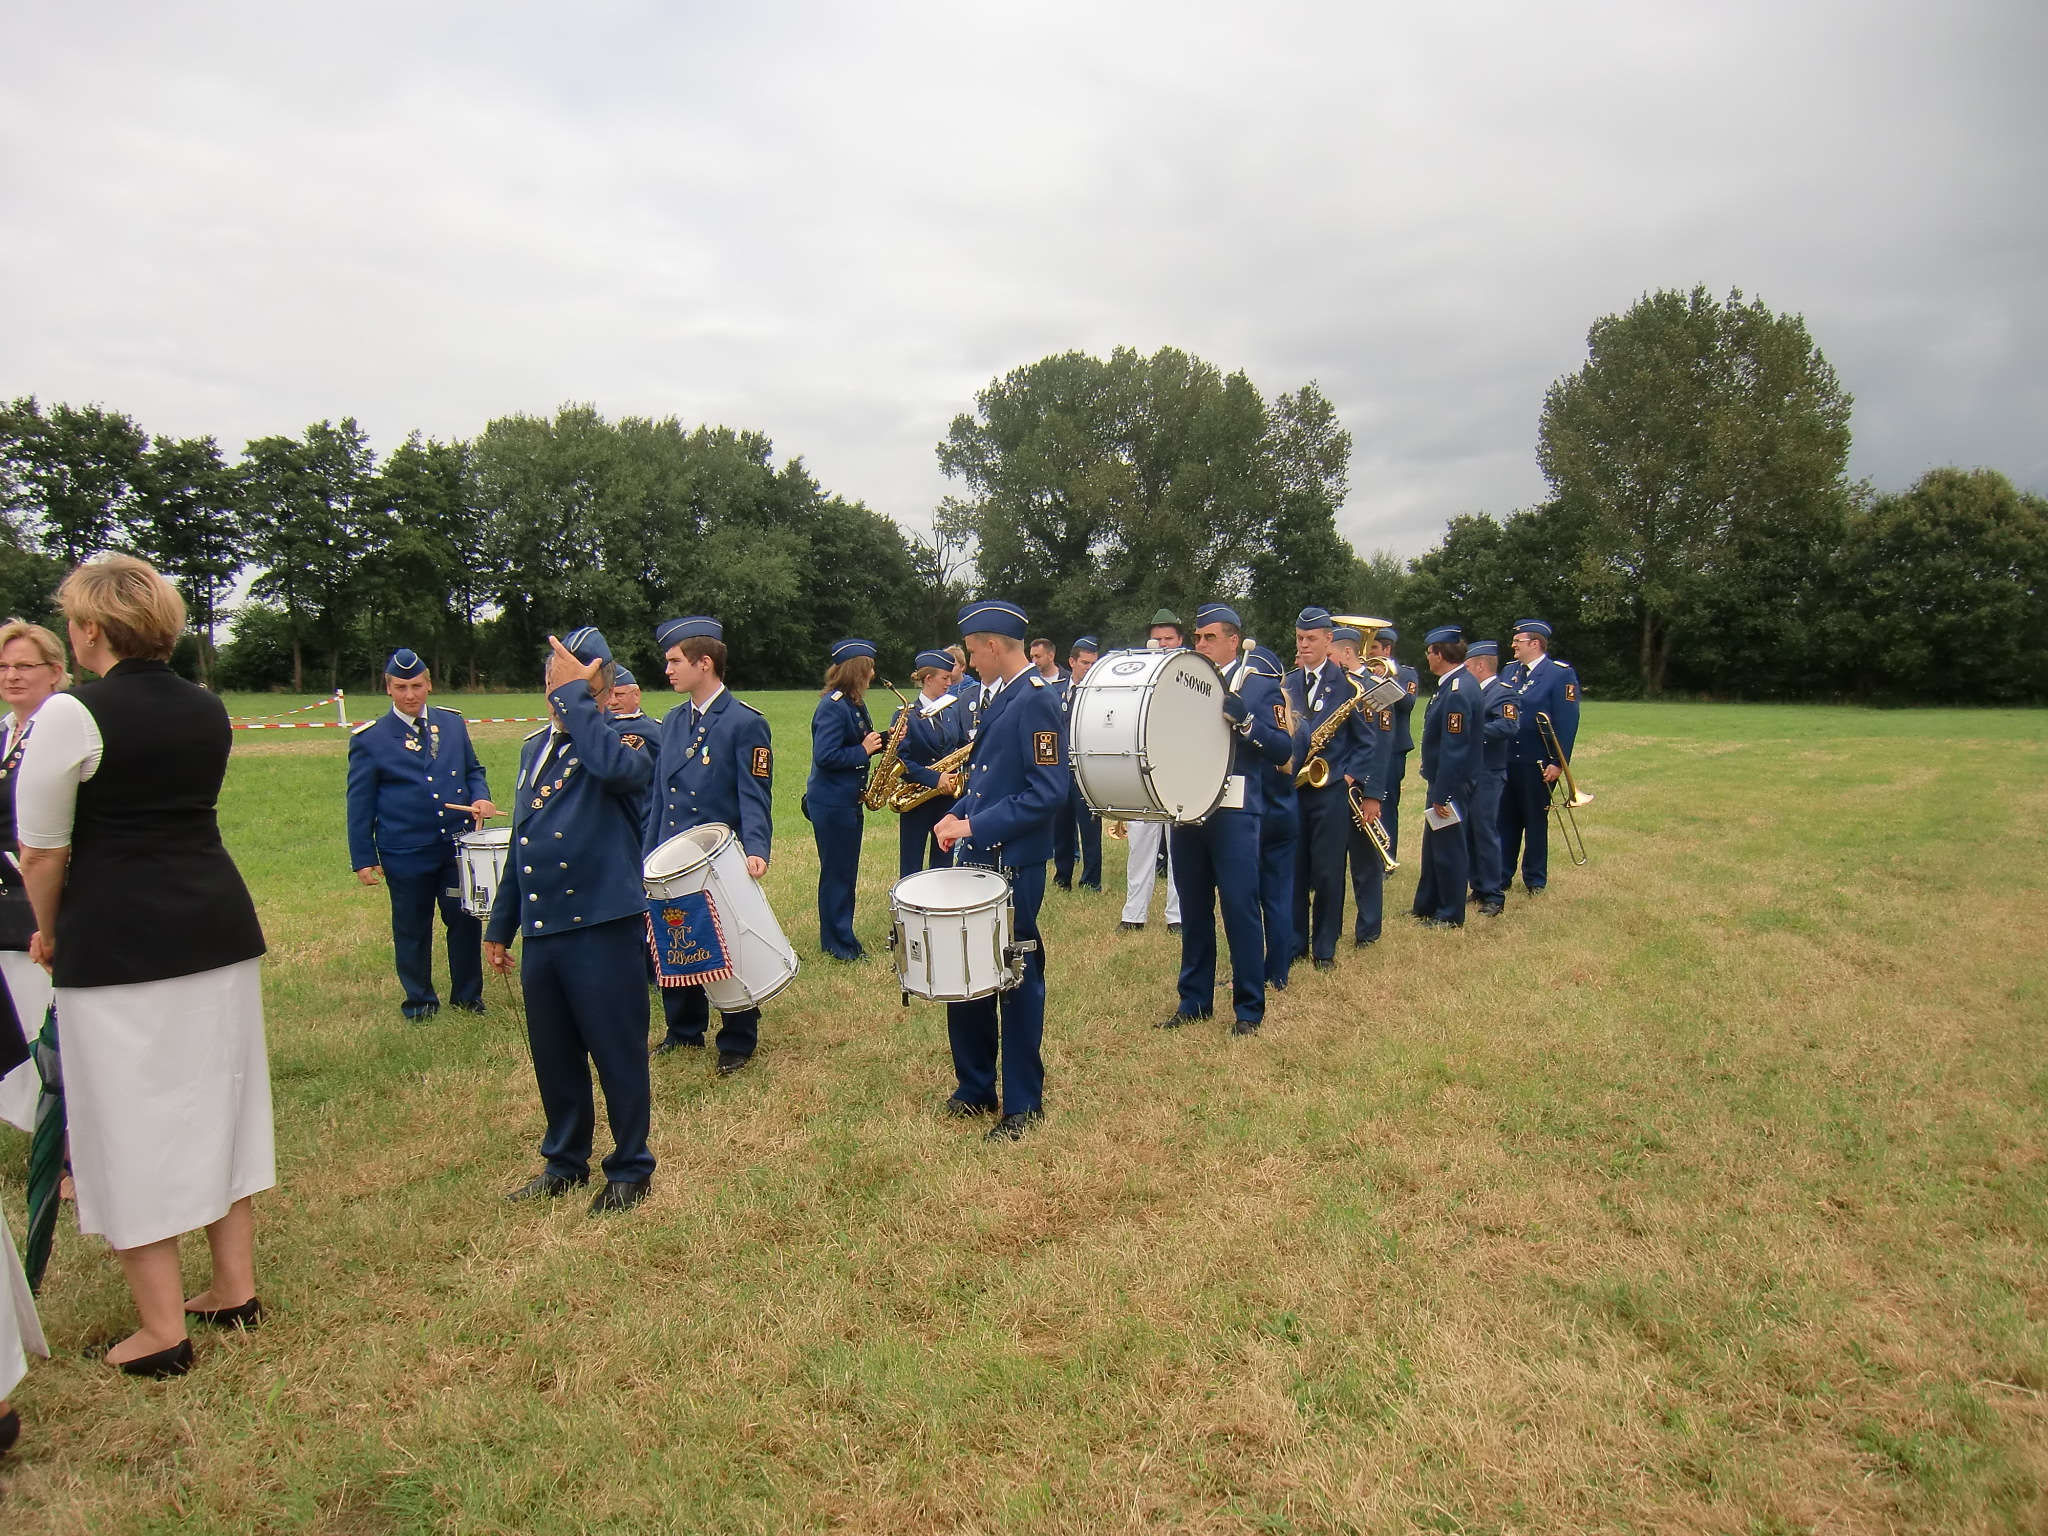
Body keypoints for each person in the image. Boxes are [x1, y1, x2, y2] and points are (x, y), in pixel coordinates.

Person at [17, 554, 272, 1376]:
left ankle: (162, 1331)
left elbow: (41, 851)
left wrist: (47, 931)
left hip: (119, 940)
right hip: (215, 927)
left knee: (126, 1124)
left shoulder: (71, 713)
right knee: (224, 1105)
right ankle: (234, 1285)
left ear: (91, 629)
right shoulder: (206, 705)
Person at [484, 627, 656, 1215]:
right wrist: (501, 924)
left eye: (568, 681)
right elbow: (524, 839)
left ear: (599, 686)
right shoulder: (535, 748)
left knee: (616, 1051)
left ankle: (630, 1167)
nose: (554, 692)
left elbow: (617, 772)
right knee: (554, 1055)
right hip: (546, 926)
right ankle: (565, 1160)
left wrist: (578, 699)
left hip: (602, 925)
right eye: (551, 680)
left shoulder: (629, 738)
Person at [929, 599, 1064, 1142]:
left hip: (1014, 862)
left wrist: (975, 826)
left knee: (1016, 976)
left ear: (991, 645)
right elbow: (991, 780)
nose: (966, 663)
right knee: (967, 970)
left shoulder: (1037, 699)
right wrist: (958, 813)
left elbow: (1047, 792)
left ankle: (1024, 1103)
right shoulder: (1002, 695)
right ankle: (976, 1086)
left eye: (970, 652)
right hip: (982, 857)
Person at [644, 616, 773, 1070]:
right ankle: (683, 1029)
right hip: (671, 854)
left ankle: (737, 1036)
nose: (667, 670)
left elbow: (754, 795)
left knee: (728, 944)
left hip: (716, 857)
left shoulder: (744, 722)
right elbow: (660, 797)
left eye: (674, 661)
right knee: (675, 935)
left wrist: (756, 849)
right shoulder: (672, 721)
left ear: (704, 663)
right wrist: (648, 855)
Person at [1159, 606, 1293, 1035]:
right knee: (1193, 908)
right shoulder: (1181, 681)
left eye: (1210, 637)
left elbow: (1283, 749)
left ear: (1234, 641)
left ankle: (1249, 1008)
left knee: (1239, 908)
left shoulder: (1258, 685)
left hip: (1235, 810)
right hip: (1187, 807)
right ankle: (1194, 1000)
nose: (1200, 644)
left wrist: (1248, 722)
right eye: (1198, 637)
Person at [346, 648, 497, 1022]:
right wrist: (363, 858)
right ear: (388, 689)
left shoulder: (451, 724)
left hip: (455, 845)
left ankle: (468, 998)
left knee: (464, 921)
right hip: (405, 850)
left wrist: (480, 797)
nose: (410, 695)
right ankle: (420, 1002)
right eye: (401, 687)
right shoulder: (371, 739)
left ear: (429, 684)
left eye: (416, 686)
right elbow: (360, 803)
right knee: (412, 927)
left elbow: (473, 770)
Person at [1286, 607, 1383, 971]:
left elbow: (1367, 741)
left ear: (1329, 640)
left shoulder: (1349, 686)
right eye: (1300, 638)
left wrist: (1349, 777)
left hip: (1330, 791)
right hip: (1294, 790)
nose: (1304, 644)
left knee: (1328, 872)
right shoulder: (1287, 682)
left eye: (1311, 638)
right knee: (1294, 870)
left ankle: (1324, 947)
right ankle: (1295, 942)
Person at [0, 620, 67, 1131]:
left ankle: (63, 1137)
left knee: (42, 1017)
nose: (12, 676)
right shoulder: (4, 733)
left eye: (25, 665)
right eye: (3, 667)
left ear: (55, 672)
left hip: (37, 893)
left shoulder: (61, 732)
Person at [806, 638, 882, 962]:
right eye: (869, 668)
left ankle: (842, 937)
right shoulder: (833, 706)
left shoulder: (853, 703)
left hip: (847, 801)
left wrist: (886, 739)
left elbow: (858, 740)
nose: (873, 674)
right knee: (837, 875)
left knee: (846, 873)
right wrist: (863, 751)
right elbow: (825, 755)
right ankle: (837, 945)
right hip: (832, 804)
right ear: (856, 671)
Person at [1498, 619, 1581, 896]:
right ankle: (1502, 874)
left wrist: (1558, 762)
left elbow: (1567, 722)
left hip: (1537, 761)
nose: (1513, 645)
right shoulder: (1510, 671)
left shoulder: (1559, 674)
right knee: (1505, 819)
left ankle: (1535, 879)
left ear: (1535, 644)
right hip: (1507, 757)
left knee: (1534, 819)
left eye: (1518, 641)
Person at [1412, 627, 1483, 928]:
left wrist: (1443, 793)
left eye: (1429, 652)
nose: (1427, 658)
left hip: (1451, 782)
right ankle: (1427, 905)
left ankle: (1450, 914)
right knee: (1433, 847)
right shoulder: (1452, 685)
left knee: (1449, 849)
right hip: (1443, 779)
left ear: (1439, 654)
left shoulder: (1457, 691)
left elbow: (1455, 748)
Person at [1119, 609, 1185, 933]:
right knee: (1140, 843)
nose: (1162, 644)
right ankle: (1133, 915)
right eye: (1157, 639)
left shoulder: (1190, 673)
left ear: (1180, 640)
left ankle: (1178, 916)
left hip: (1179, 766)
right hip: (1144, 766)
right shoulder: (1138, 674)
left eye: (1168, 638)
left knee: (1180, 846)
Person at [1331, 626, 1395, 949]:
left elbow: (1381, 746)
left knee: (1365, 863)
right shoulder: (1332, 685)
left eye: (1330, 652)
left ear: (1346, 652)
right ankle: (1330, 929)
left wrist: (1373, 794)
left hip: (1360, 788)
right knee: (1331, 864)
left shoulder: (1375, 688)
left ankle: (1368, 931)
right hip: (1331, 785)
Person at [1248, 644, 1305, 991]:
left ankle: (1255, 971)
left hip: (1259, 816)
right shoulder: (1300, 724)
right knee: (1279, 898)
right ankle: (1279, 972)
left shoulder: (1257, 725)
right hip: (1286, 814)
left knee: (1250, 900)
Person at [897, 649, 967, 877]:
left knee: (944, 861)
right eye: (944, 678)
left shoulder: (951, 711)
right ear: (928, 679)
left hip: (946, 799)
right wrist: (935, 778)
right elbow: (901, 762)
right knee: (911, 865)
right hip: (917, 798)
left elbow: (960, 746)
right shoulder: (906, 715)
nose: (949, 683)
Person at [1464, 641, 1515, 916]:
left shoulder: (1502, 692)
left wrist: (1473, 734)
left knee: (1485, 831)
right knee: (1469, 831)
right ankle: (1478, 886)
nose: (1465, 671)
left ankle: (1494, 893)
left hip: (1489, 772)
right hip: (1469, 771)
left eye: (1468, 666)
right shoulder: (1471, 693)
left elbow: (1508, 724)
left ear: (1481, 665)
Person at [1051, 637, 1101, 892]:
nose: (1089, 668)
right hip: (1061, 769)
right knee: (1061, 826)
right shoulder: (1055, 689)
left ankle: (1091, 880)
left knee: (1090, 827)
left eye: (1093, 663)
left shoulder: (1100, 693)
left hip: (1086, 768)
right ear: (1072, 662)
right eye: (1085, 663)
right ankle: (1062, 876)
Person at [1369, 628, 1419, 857]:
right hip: (1367, 745)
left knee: (1386, 804)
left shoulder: (1406, 674)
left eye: (1374, 648)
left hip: (1392, 748)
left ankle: (1386, 855)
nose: (1369, 653)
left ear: (1387, 649)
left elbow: (1408, 704)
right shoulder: (1363, 672)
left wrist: (1386, 680)